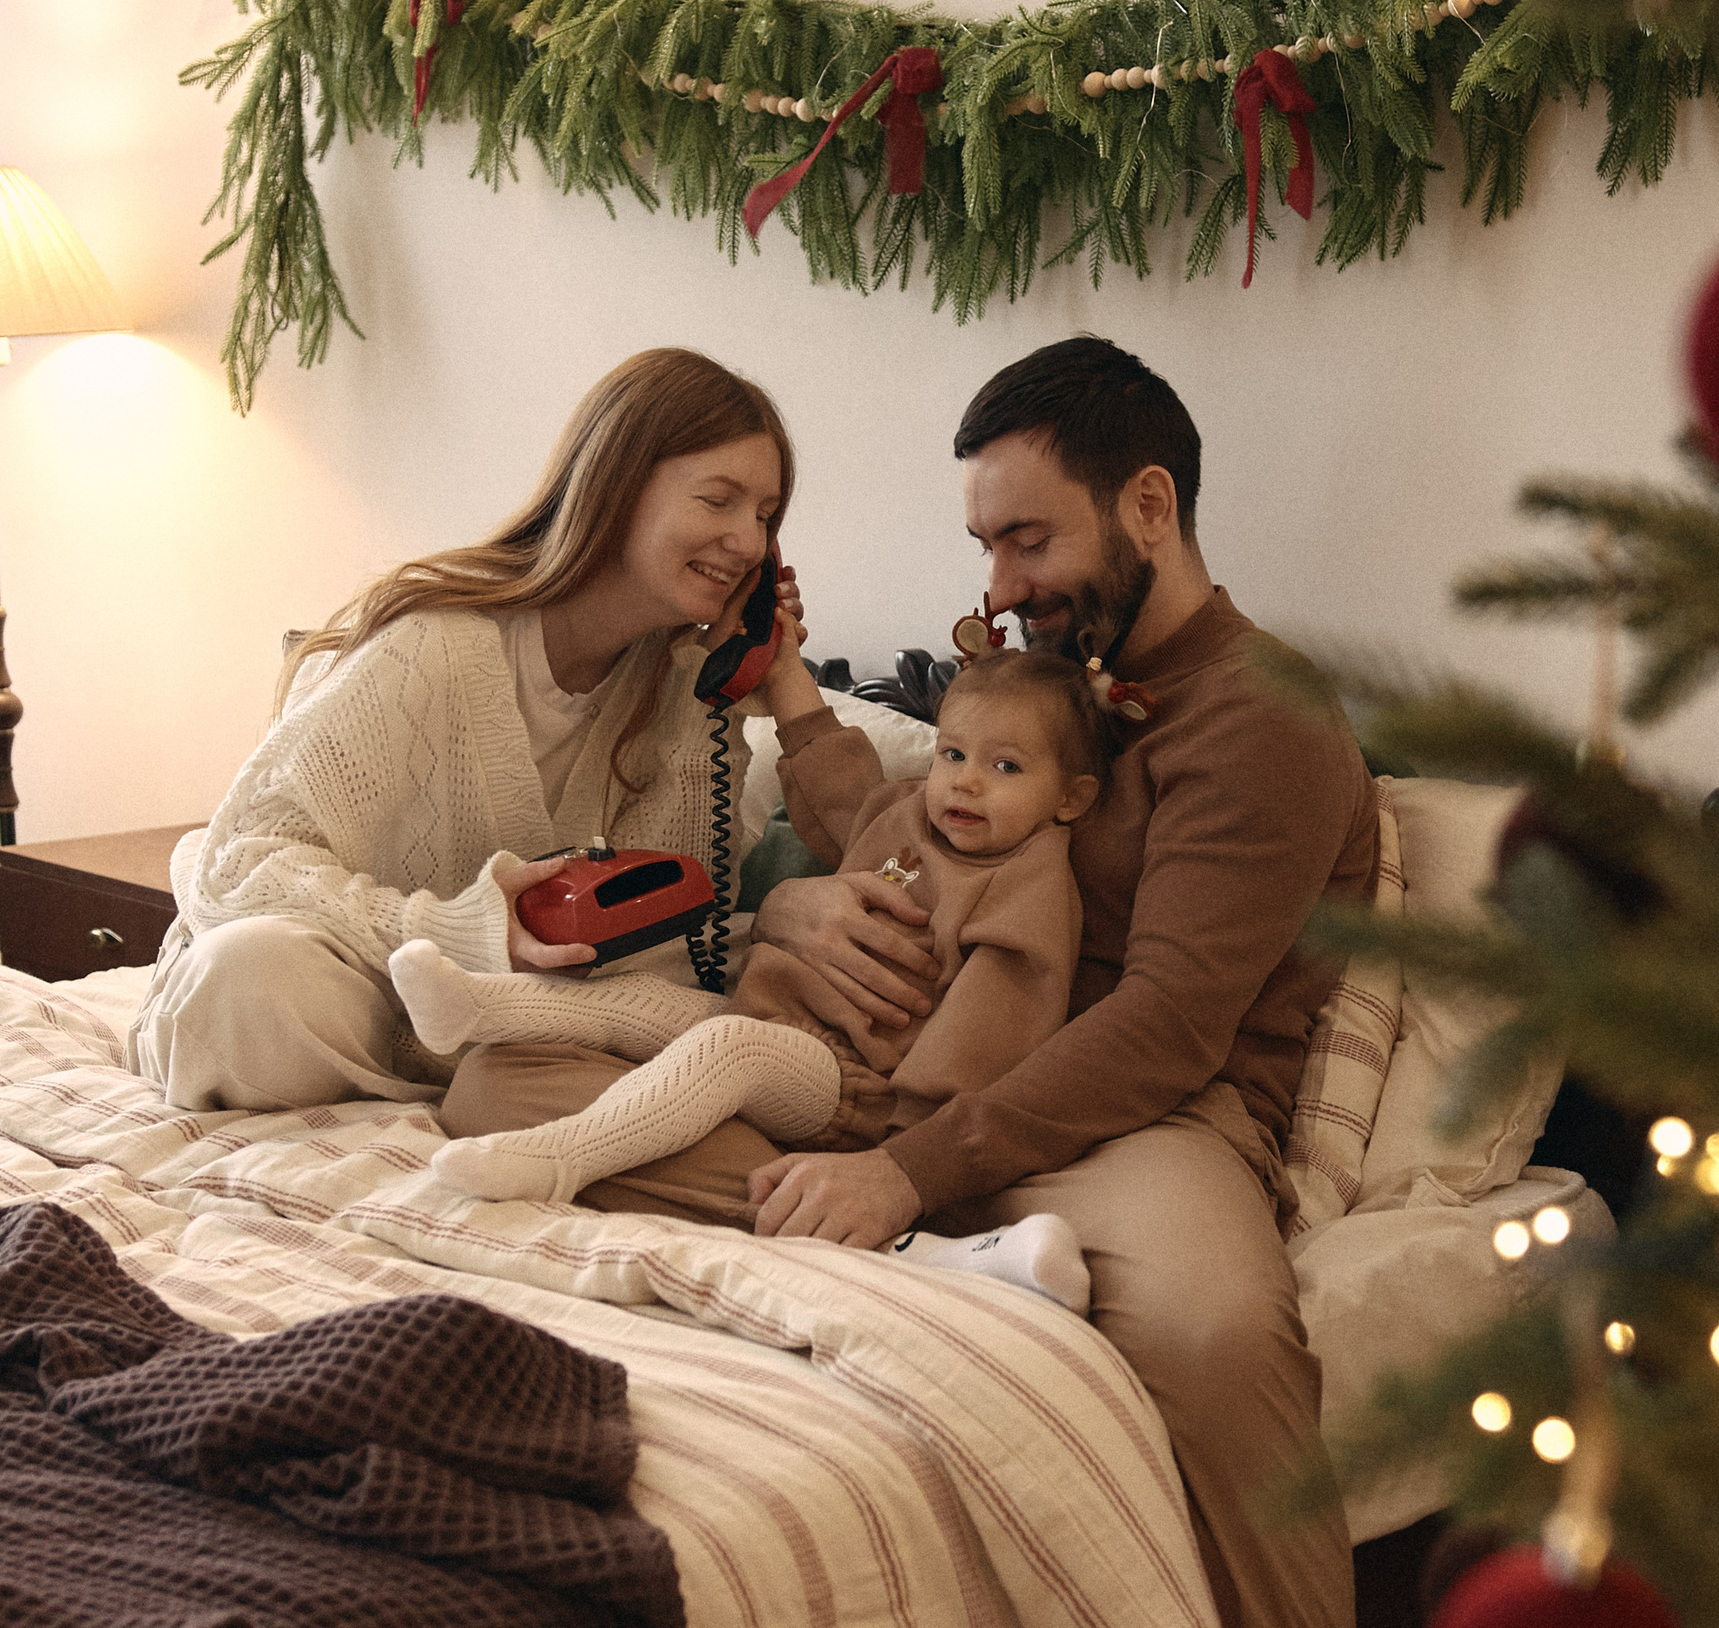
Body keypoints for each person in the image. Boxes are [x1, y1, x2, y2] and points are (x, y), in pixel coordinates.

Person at [443, 336, 1378, 1627]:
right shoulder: (1043, 689)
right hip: (904, 1074)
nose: (1002, 586)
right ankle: (950, 1258)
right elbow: (891, 822)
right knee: (503, 1086)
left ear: (1149, 507)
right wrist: (788, 765)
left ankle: (919, 1230)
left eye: (1029, 541)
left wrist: (905, 1170)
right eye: (987, 545)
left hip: (1142, 1122)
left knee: (1216, 1335)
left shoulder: (1262, 717)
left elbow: (1169, 1023)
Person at [129, 348, 800, 1114]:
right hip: (337, 976)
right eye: (718, 501)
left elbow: (670, 940)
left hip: (505, 1016)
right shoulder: (431, 644)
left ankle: (464, 1061)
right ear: (616, 488)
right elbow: (236, 867)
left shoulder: (689, 687)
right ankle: (452, 1059)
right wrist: (463, 930)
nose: (748, 543)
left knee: (736, 993)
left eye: (764, 517)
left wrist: (738, 685)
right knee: (253, 976)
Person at [403, 647, 1117, 1311]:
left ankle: (562, 1158)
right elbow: (836, 781)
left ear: (1071, 798)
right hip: (768, 1018)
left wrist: (904, 1157)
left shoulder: (1028, 886)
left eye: (1006, 767)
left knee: (730, 1049)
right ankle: (477, 1007)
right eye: (952, 753)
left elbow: (991, 1029)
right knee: (643, 1006)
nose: (966, 780)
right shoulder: (905, 815)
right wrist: (783, 672)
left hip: (855, 1083)